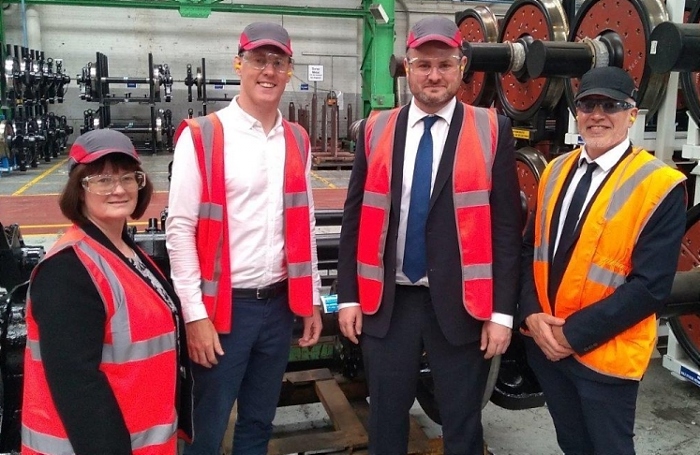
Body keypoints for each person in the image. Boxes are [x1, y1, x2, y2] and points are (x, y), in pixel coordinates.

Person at [337, 16, 522, 454]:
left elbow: (506, 230)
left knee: (462, 421)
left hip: (462, 305)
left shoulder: (491, 129)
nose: (434, 75)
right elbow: (354, 219)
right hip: (388, 302)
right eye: (423, 64)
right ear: (408, 68)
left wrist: (501, 314)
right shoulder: (375, 130)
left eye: (444, 64)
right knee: (384, 417)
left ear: (462, 68)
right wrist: (347, 297)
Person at [166, 22, 323, 455]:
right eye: (258, 60)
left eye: (278, 62)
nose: (268, 71)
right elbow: (179, 229)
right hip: (222, 312)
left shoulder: (297, 138)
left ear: (290, 69)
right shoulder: (202, 136)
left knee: (259, 421)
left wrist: (309, 296)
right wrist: (194, 316)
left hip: (278, 307)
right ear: (239, 64)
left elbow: (304, 220)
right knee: (207, 428)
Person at [519, 66, 687, 455]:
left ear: (632, 114)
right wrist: (531, 315)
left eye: (611, 105)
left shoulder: (659, 185)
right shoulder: (555, 172)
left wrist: (571, 335)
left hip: (605, 357)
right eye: (588, 104)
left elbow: (651, 287)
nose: (597, 114)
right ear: (576, 112)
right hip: (547, 348)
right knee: (573, 444)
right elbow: (530, 249)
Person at [21, 129, 193, 455]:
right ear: (79, 190)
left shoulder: (126, 251)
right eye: (101, 180)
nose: (118, 189)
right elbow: (78, 386)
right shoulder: (68, 271)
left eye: (128, 178)